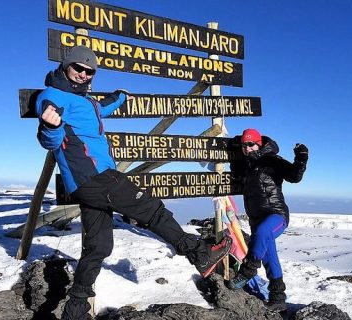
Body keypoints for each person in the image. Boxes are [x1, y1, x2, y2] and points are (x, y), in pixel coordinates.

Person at [35, 45, 232, 320]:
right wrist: (50, 127)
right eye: (78, 68)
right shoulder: (52, 97)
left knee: (99, 247)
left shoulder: (83, 99)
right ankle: (199, 253)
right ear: (65, 66)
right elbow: (50, 140)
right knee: (152, 210)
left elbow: (98, 110)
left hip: (90, 182)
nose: (83, 74)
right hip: (94, 178)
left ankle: (75, 310)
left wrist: (119, 98)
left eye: (89, 71)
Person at [226, 128, 308, 312]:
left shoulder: (271, 160)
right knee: (270, 259)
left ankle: (247, 271)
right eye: (244, 145)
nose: (247, 148)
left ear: (259, 143)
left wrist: (301, 157)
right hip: (256, 219)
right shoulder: (245, 165)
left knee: (263, 232)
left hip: (276, 215)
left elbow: (294, 176)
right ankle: (278, 298)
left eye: (251, 144)